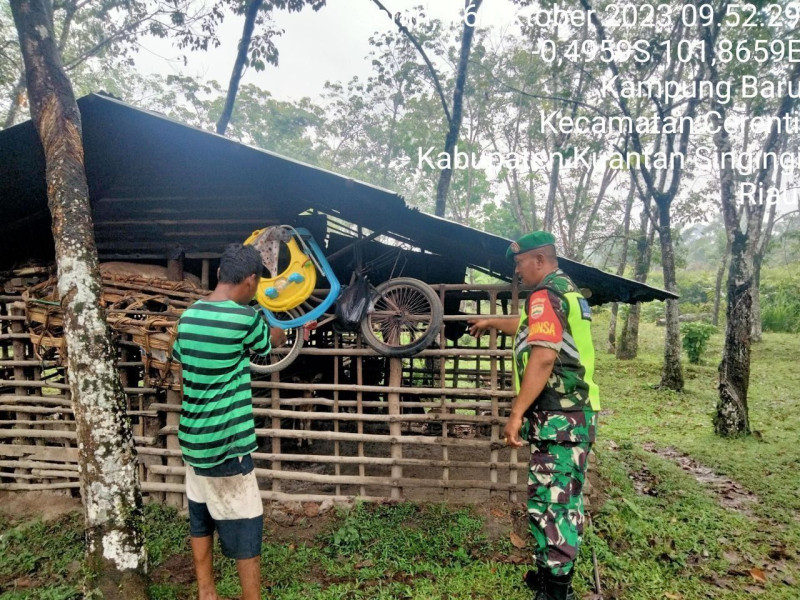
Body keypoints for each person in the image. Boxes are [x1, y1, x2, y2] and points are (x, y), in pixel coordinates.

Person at [469, 231, 600, 600]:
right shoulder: (564, 291)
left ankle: (558, 591)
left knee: (556, 503)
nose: (517, 271)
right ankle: (548, 576)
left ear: (539, 260)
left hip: (562, 416)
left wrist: (515, 413)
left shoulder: (546, 294)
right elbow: (530, 326)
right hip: (569, 416)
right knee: (548, 498)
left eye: (519, 263)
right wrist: (494, 322)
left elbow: (543, 355)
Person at [172, 243, 285, 600]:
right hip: (226, 445)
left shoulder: (188, 317)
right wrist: (289, 328)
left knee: (201, 515)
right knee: (245, 523)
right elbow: (267, 346)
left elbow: (180, 356)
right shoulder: (246, 318)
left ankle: (207, 592)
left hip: (192, 441)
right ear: (251, 280)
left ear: (221, 273)